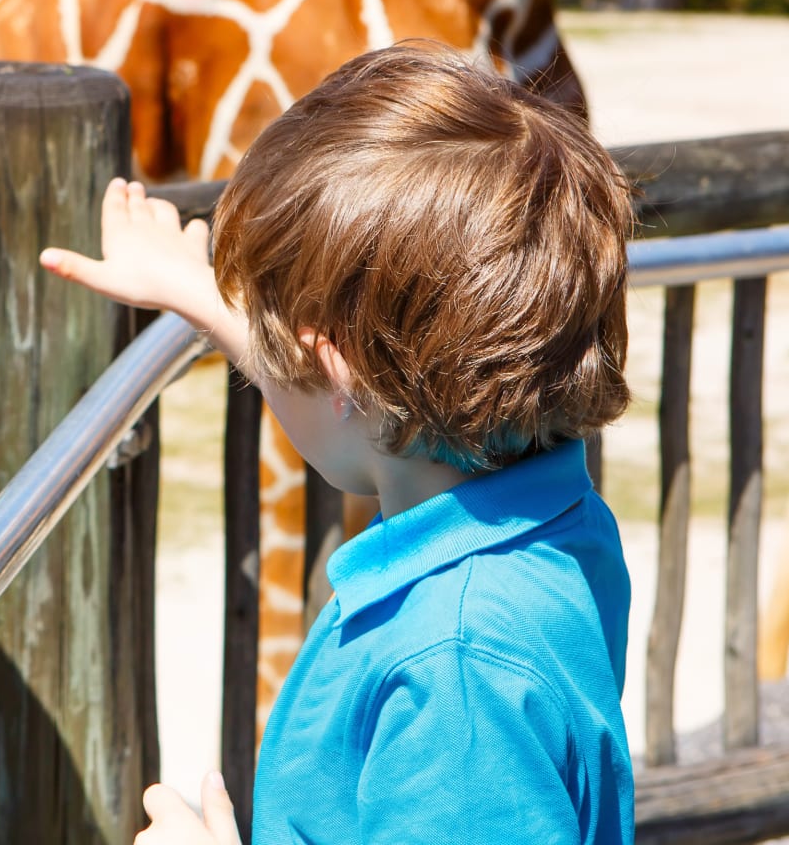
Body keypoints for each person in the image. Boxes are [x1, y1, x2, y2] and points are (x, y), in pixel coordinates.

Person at [41, 42, 637, 845]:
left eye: (274, 337)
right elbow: (342, 390)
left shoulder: (456, 672)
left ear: (339, 375)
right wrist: (200, 298)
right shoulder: (556, 523)